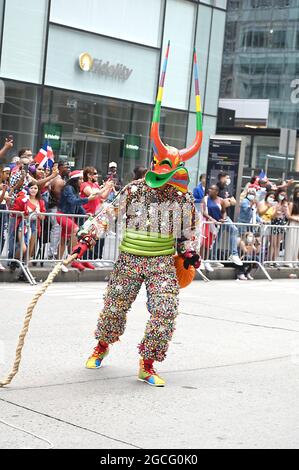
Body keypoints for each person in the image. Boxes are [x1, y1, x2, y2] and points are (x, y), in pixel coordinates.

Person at [75, 44, 202, 387]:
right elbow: (105, 213)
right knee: (115, 307)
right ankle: (101, 346)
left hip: (162, 262)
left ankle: (148, 363)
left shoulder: (184, 199)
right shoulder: (132, 191)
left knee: (165, 311)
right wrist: (87, 235)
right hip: (130, 258)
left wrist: (190, 250)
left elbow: (191, 231)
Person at [57, 170, 98, 271]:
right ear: (74, 180)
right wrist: (88, 199)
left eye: (81, 179)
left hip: (67, 216)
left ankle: (59, 263)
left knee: (63, 240)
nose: (81, 180)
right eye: (79, 179)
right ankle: (74, 260)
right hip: (62, 215)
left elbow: (78, 205)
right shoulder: (68, 188)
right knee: (76, 231)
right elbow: (73, 201)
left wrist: (85, 214)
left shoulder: (74, 189)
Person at [80, 166, 115, 265]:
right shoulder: (84, 185)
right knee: (89, 238)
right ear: (88, 175)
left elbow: (102, 197)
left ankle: (98, 257)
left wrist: (109, 188)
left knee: (100, 237)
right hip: (88, 215)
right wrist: (105, 187)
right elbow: (93, 195)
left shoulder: (95, 184)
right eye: (94, 173)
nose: (97, 175)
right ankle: (89, 259)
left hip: (98, 214)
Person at [11, 182, 46, 273]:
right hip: (24, 224)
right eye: (31, 188)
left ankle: (24, 273)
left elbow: (43, 217)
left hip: (35, 226)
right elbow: (14, 212)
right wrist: (26, 214)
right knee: (23, 248)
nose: (33, 190)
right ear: (28, 189)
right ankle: (14, 261)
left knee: (29, 252)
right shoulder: (23, 199)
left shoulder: (41, 202)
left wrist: (39, 213)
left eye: (35, 188)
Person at [215, 172, 243, 266]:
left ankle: (232, 254)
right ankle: (214, 258)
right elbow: (221, 203)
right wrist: (226, 202)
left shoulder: (227, 189)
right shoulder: (216, 188)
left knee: (221, 236)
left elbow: (234, 202)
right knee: (217, 238)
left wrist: (228, 201)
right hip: (218, 216)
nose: (228, 179)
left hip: (226, 216)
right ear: (221, 178)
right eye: (227, 177)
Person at [47, 162, 70, 262]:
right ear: (60, 168)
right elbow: (58, 194)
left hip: (57, 208)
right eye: (66, 167)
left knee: (58, 229)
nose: (68, 169)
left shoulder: (61, 179)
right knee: (57, 228)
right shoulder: (58, 180)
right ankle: (52, 253)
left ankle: (53, 252)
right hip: (55, 208)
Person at [201, 184, 226, 272]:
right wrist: (211, 218)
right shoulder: (205, 199)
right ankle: (201, 261)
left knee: (209, 244)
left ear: (217, 192)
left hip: (216, 225)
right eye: (210, 188)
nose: (210, 190)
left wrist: (223, 218)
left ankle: (206, 261)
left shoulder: (221, 200)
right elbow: (203, 212)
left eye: (212, 189)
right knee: (203, 242)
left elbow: (223, 212)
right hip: (206, 222)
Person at [285, 186, 299, 267]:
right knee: (291, 242)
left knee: (297, 243)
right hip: (293, 223)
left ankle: (294, 260)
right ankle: (288, 261)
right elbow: (288, 216)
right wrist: (296, 219)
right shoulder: (291, 204)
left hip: (298, 224)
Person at [0, 167, 11, 271]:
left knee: (2, 237)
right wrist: (3, 192)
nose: (7, 176)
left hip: (4, 211)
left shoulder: (5, 185)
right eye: (6, 173)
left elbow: (6, 202)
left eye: (9, 174)